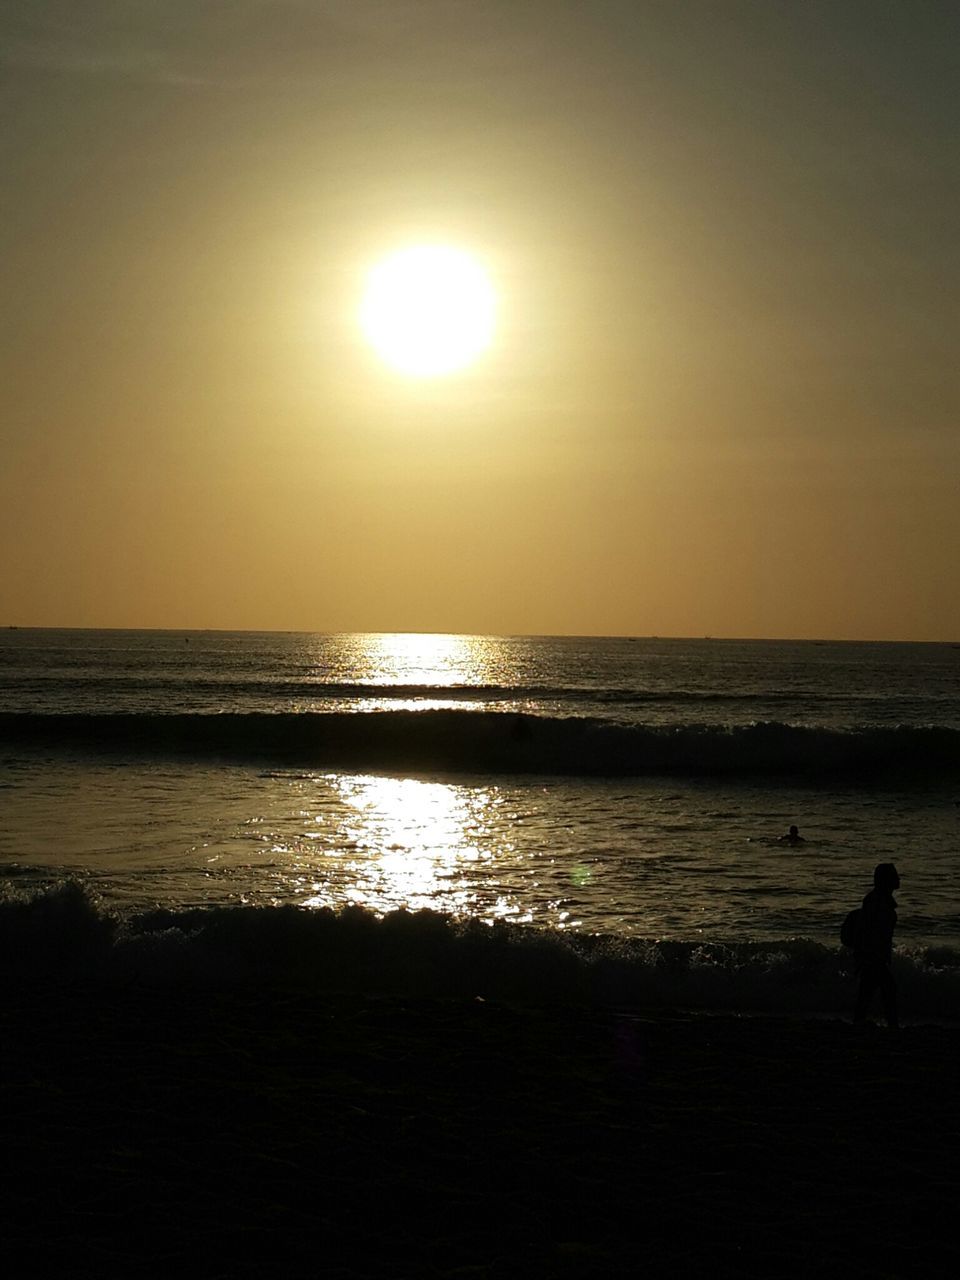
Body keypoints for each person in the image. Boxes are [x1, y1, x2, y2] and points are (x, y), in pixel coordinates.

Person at [853, 862, 900, 1029]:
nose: (898, 878)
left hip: (874, 953)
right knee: (888, 988)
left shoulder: (882, 899)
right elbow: (869, 929)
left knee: (868, 990)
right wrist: (868, 954)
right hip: (872, 954)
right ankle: (892, 1026)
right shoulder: (876, 900)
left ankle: (859, 1022)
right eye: (894, 875)